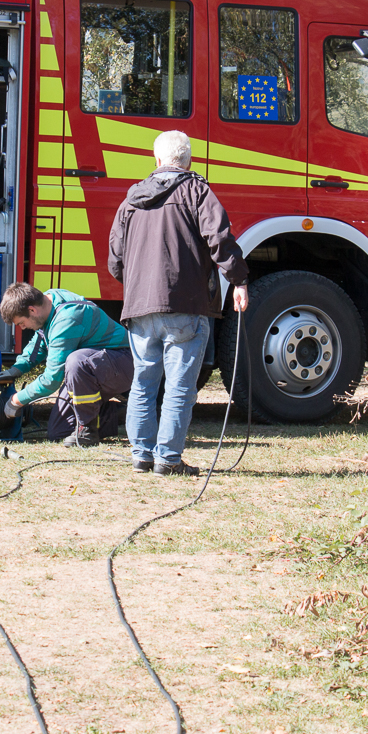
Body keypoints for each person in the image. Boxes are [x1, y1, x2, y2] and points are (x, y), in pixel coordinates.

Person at [107, 130, 249, 475]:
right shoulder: (197, 190)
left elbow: (115, 260)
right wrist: (240, 280)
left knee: (142, 382)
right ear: (188, 161)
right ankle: (168, 460)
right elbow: (220, 239)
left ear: (156, 161)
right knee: (179, 386)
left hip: (140, 308)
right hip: (185, 304)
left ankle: (141, 456)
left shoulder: (131, 199)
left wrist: (139, 285)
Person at [0, 283, 132, 447]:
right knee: (60, 431)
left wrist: (17, 400)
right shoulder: (47, 301)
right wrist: (17, 369)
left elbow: (51, 380)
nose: (22, 328)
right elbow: (40, 341)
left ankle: (87, 431)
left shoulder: (67, 319)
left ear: (32, 310)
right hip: (92, 367)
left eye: (21, 323)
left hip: (123, 362)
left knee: (76, 361)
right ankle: (124, 413)